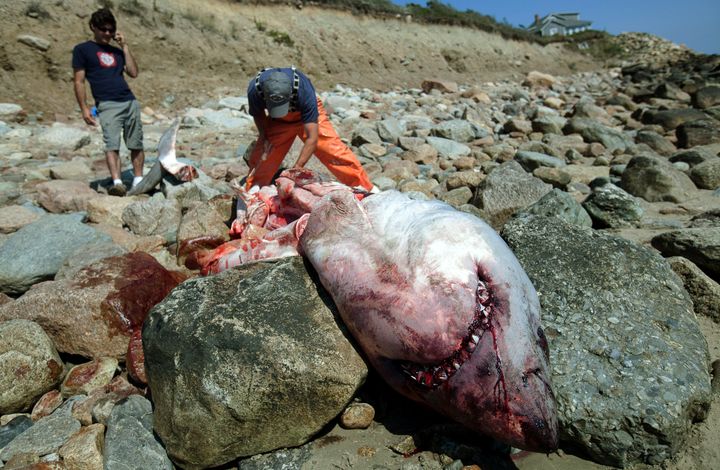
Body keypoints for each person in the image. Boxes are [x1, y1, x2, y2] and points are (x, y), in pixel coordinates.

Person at [245, 67, 377, 192]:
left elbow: (312, 138)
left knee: (333, 150)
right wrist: (265, 137)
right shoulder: (255, 90)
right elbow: (259, 115)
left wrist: (296, 170)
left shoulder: (303, 90)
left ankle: (366, 189)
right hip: (278, 121)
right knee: (263, 156)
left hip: (306, 116)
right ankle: (253, 193)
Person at [72, 8, 145, 197]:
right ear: (93, 27)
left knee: (136, 142)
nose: (107, 33)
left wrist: (125, 47)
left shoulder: (117, 51)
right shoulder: (83, 50)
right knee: (112, 144)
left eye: (111, 30)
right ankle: (117, 182)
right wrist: (84, 108)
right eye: (103, 29)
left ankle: (138, 180)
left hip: (129, 101)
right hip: (107, 104)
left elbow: (134, 73)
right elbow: (79, 81)